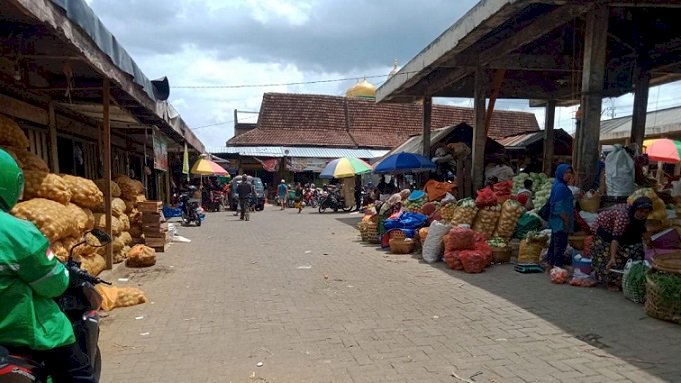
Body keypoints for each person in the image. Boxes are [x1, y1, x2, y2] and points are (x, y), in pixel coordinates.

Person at [0, 149, 96, 382]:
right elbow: (53, 284)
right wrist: (66, 276)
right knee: (80, 373)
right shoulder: (17, 232)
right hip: (22, 333)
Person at [591, 197, 653, 289]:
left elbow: (641, 230)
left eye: (646, 212)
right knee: (608, 255)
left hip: (622, 230)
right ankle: (610, 282)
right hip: (605, 229)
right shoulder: (623, 216)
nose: (643, 214)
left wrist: (649, 242)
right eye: (641, 211)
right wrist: (612, 257)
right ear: (635, 209)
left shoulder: (641, 217)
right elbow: (615, 239)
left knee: (637, 248)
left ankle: (628, 278)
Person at [546, 164, 575, 268]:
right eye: (566, 172)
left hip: (556, 221)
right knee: (560, 245)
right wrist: (566, 220)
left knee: (554, 244)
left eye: (570, 172)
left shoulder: (558, 184)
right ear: (560, 173)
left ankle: (550, 265)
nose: (568, 175)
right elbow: (558, 206)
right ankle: (557, 267)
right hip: (560, 221)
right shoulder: (561, 187)